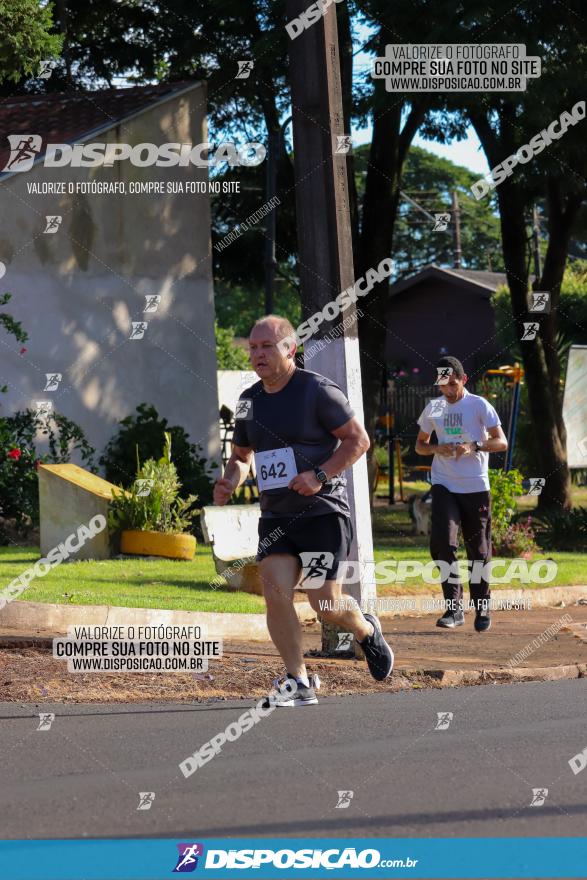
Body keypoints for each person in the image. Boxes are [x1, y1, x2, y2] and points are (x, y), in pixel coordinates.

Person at [213, 314, 393, 706]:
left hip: (322, 513)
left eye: (266, 346)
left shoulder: (317, 391)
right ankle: (298, 681)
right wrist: (231, 479)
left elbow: (357, 441)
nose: (257, 354)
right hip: (277, 516)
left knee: (324, 603)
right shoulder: (249, 402)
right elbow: (242, 456)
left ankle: (365, 630)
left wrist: (320, 475)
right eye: (253, 347)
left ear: (289, 349)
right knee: (275, 591)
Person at [415, 356, 508, 632]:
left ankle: (482, 606)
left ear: (463, 379)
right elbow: (420, 445)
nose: (448, 390)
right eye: (443, 385)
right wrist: (435, 449)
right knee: (443, 541)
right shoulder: (434, 407)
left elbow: (501, 442)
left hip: (475, 487)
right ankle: (453, 609)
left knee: (478, 550)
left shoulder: (479, 405)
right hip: (444, 484)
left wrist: (475, 445)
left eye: (453, 383)